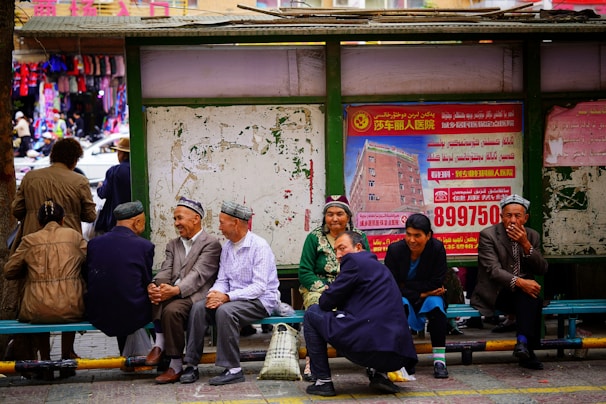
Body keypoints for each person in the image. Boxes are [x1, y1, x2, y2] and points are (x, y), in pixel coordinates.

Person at [10, 138, 96, 367]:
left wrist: (33, 212)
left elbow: (16, 209)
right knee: (69, 292)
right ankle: (67, 353)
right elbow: (90, 216)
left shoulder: (30, 177)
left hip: (32, 243)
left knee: (38, 294)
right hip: (69, 245)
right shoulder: (78, 180)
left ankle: (43, 358)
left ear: (52, 155)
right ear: (75, 159)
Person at [304, 231, 418, 397]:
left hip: (368, 347)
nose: (338, 255)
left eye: (342, 248)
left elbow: (326, 302)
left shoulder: (354, 261)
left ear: (358, 247)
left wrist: (330, 291)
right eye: (335, 250)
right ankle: (380, 375)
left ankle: (323, 381)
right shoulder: (379, 267)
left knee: (312, 314)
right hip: (399, 355)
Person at [179, 200, 280, 386]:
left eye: (222, 222)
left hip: (260, 301)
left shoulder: (259, 246)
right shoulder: (227, 247)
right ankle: (191, 364)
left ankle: (233, 369)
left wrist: (226, 297)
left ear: (235, 223)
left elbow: (259, 287)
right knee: (199, 307)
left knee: (226, 311)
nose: (219, 227)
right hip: (233, 299)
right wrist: (215, 294)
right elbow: (223, 280)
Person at [4, 200, 87, 378]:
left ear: (39, 222)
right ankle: (66, 360)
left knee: (41, 307)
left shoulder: (29, 240)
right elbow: (89, 262)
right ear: (62, 220)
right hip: (72, 305)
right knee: (68, 302)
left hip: (36, 308)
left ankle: (46, 361)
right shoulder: (74, 236)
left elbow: (9, 271)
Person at [145, 197, 221, 384]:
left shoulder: (211, 243)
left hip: (197, 294)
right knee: (155, 295)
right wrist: (156, 285)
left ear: (196, 219)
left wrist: (175, 290)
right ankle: (160, 344)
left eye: (180, 218)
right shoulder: (173, 244)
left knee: (172, 310)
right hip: (173, 291)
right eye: (175, 219)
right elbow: (166, 269)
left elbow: (199, 275)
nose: (176, 223)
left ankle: (175, 364)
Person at [471, 194, 548, 370]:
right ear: (501, 217)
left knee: (529, 295)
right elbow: (493, 271)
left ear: (525, 218)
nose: (512, 220)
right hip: (497, 292)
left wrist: (526, 244)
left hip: (522, 295)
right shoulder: (488, 235)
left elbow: (542, 269)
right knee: (529, 293)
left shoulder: (532, 236)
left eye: (517, 216)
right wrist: (520, 282)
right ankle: (527, 347)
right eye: (508, 215)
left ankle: (522, 343)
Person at [297, 194, 369, 381]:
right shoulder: (314, 238)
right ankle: (313, 362)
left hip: (350, 287)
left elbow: (366, 265)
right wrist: (325, 289)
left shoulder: (359, 237)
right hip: (319, 288)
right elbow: (305, 271)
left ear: (348, 216)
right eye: (330, 214)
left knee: (367, 310)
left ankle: (372, 360)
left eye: (339, 214)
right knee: (315, 313)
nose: (334, 218)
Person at [85, 201, 154, 358]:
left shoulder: (94, 244)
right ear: (137, 222)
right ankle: (163, 356)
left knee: (121, 296)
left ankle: (128, 356)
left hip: (98, 313)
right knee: (158, 305)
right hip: (133, 314)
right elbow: (146, 281)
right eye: (143, 222)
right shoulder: (144, 246)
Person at [384, 213, 450, 379]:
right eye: (408, 234)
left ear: (428, 236)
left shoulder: (437, 249)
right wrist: (422, 292)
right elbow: (392, 285)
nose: (411, 240)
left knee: (436, 306)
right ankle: (405, 357)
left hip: (428, 295)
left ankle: (439, 361)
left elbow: (437, 282)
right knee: (400, 304)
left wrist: (409, 286)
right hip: (405, 295)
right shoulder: (395, 250)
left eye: (417, 235)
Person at [94, 137, 131, 235]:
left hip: (116, 220)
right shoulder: (137, 169)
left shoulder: (115, 171)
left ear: (122, 154)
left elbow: (103, 193)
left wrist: (99, 187)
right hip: (134, 218)